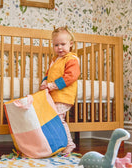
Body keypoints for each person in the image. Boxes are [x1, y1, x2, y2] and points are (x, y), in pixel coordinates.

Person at [40, 26, 80, 154]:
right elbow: (49, 73)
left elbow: (71, 76)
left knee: (58, 118)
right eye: (56, 45)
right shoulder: (54, 60)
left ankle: (69, 143)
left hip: (64, 96)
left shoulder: (72, 59)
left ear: (71, 44)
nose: (60, 47)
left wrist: (52, 85)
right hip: (54, 96)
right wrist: (44, 82)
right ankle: (58, 143)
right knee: (53, 118)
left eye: (63, 44)